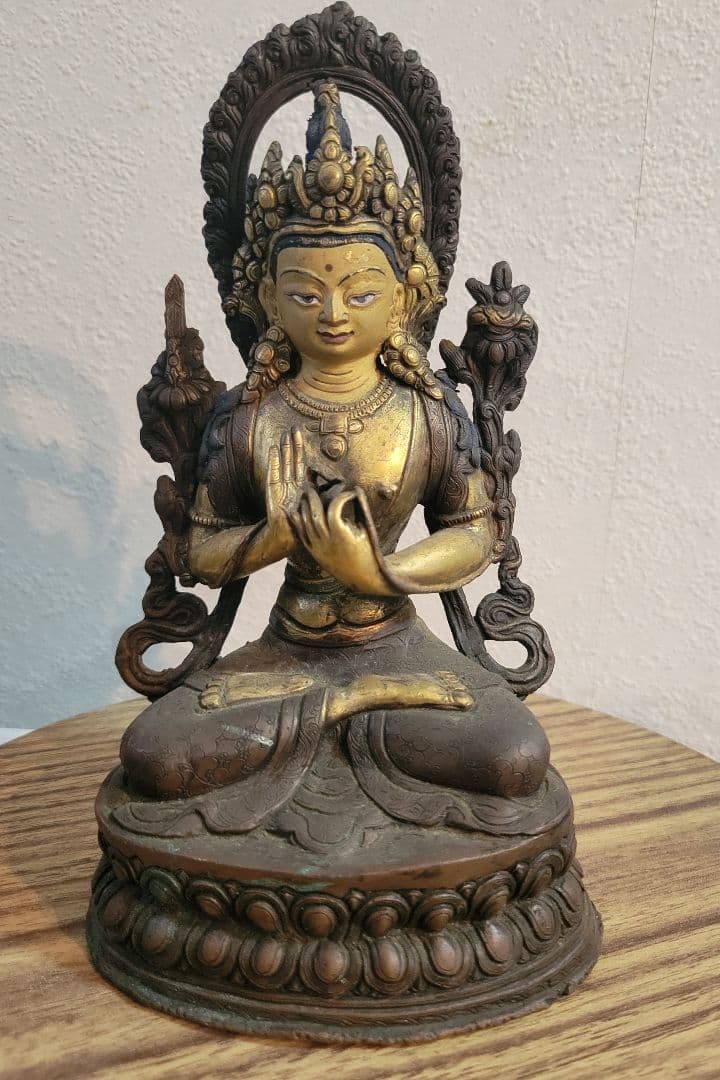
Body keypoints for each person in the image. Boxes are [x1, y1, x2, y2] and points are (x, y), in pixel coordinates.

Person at [116, 83, 550, 841]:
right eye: (306, 294)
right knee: (157, 755)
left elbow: (476, 533)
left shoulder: (427, 410)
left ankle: (338, 712)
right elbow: (201, 550)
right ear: (268, 299)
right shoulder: (250, 415)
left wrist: (378, 572)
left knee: (512, 755)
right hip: (289, 647)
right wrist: (274, 537)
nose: (334, 313)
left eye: (359, 291)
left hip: (395, 643)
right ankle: (345, 708)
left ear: (404, 296)